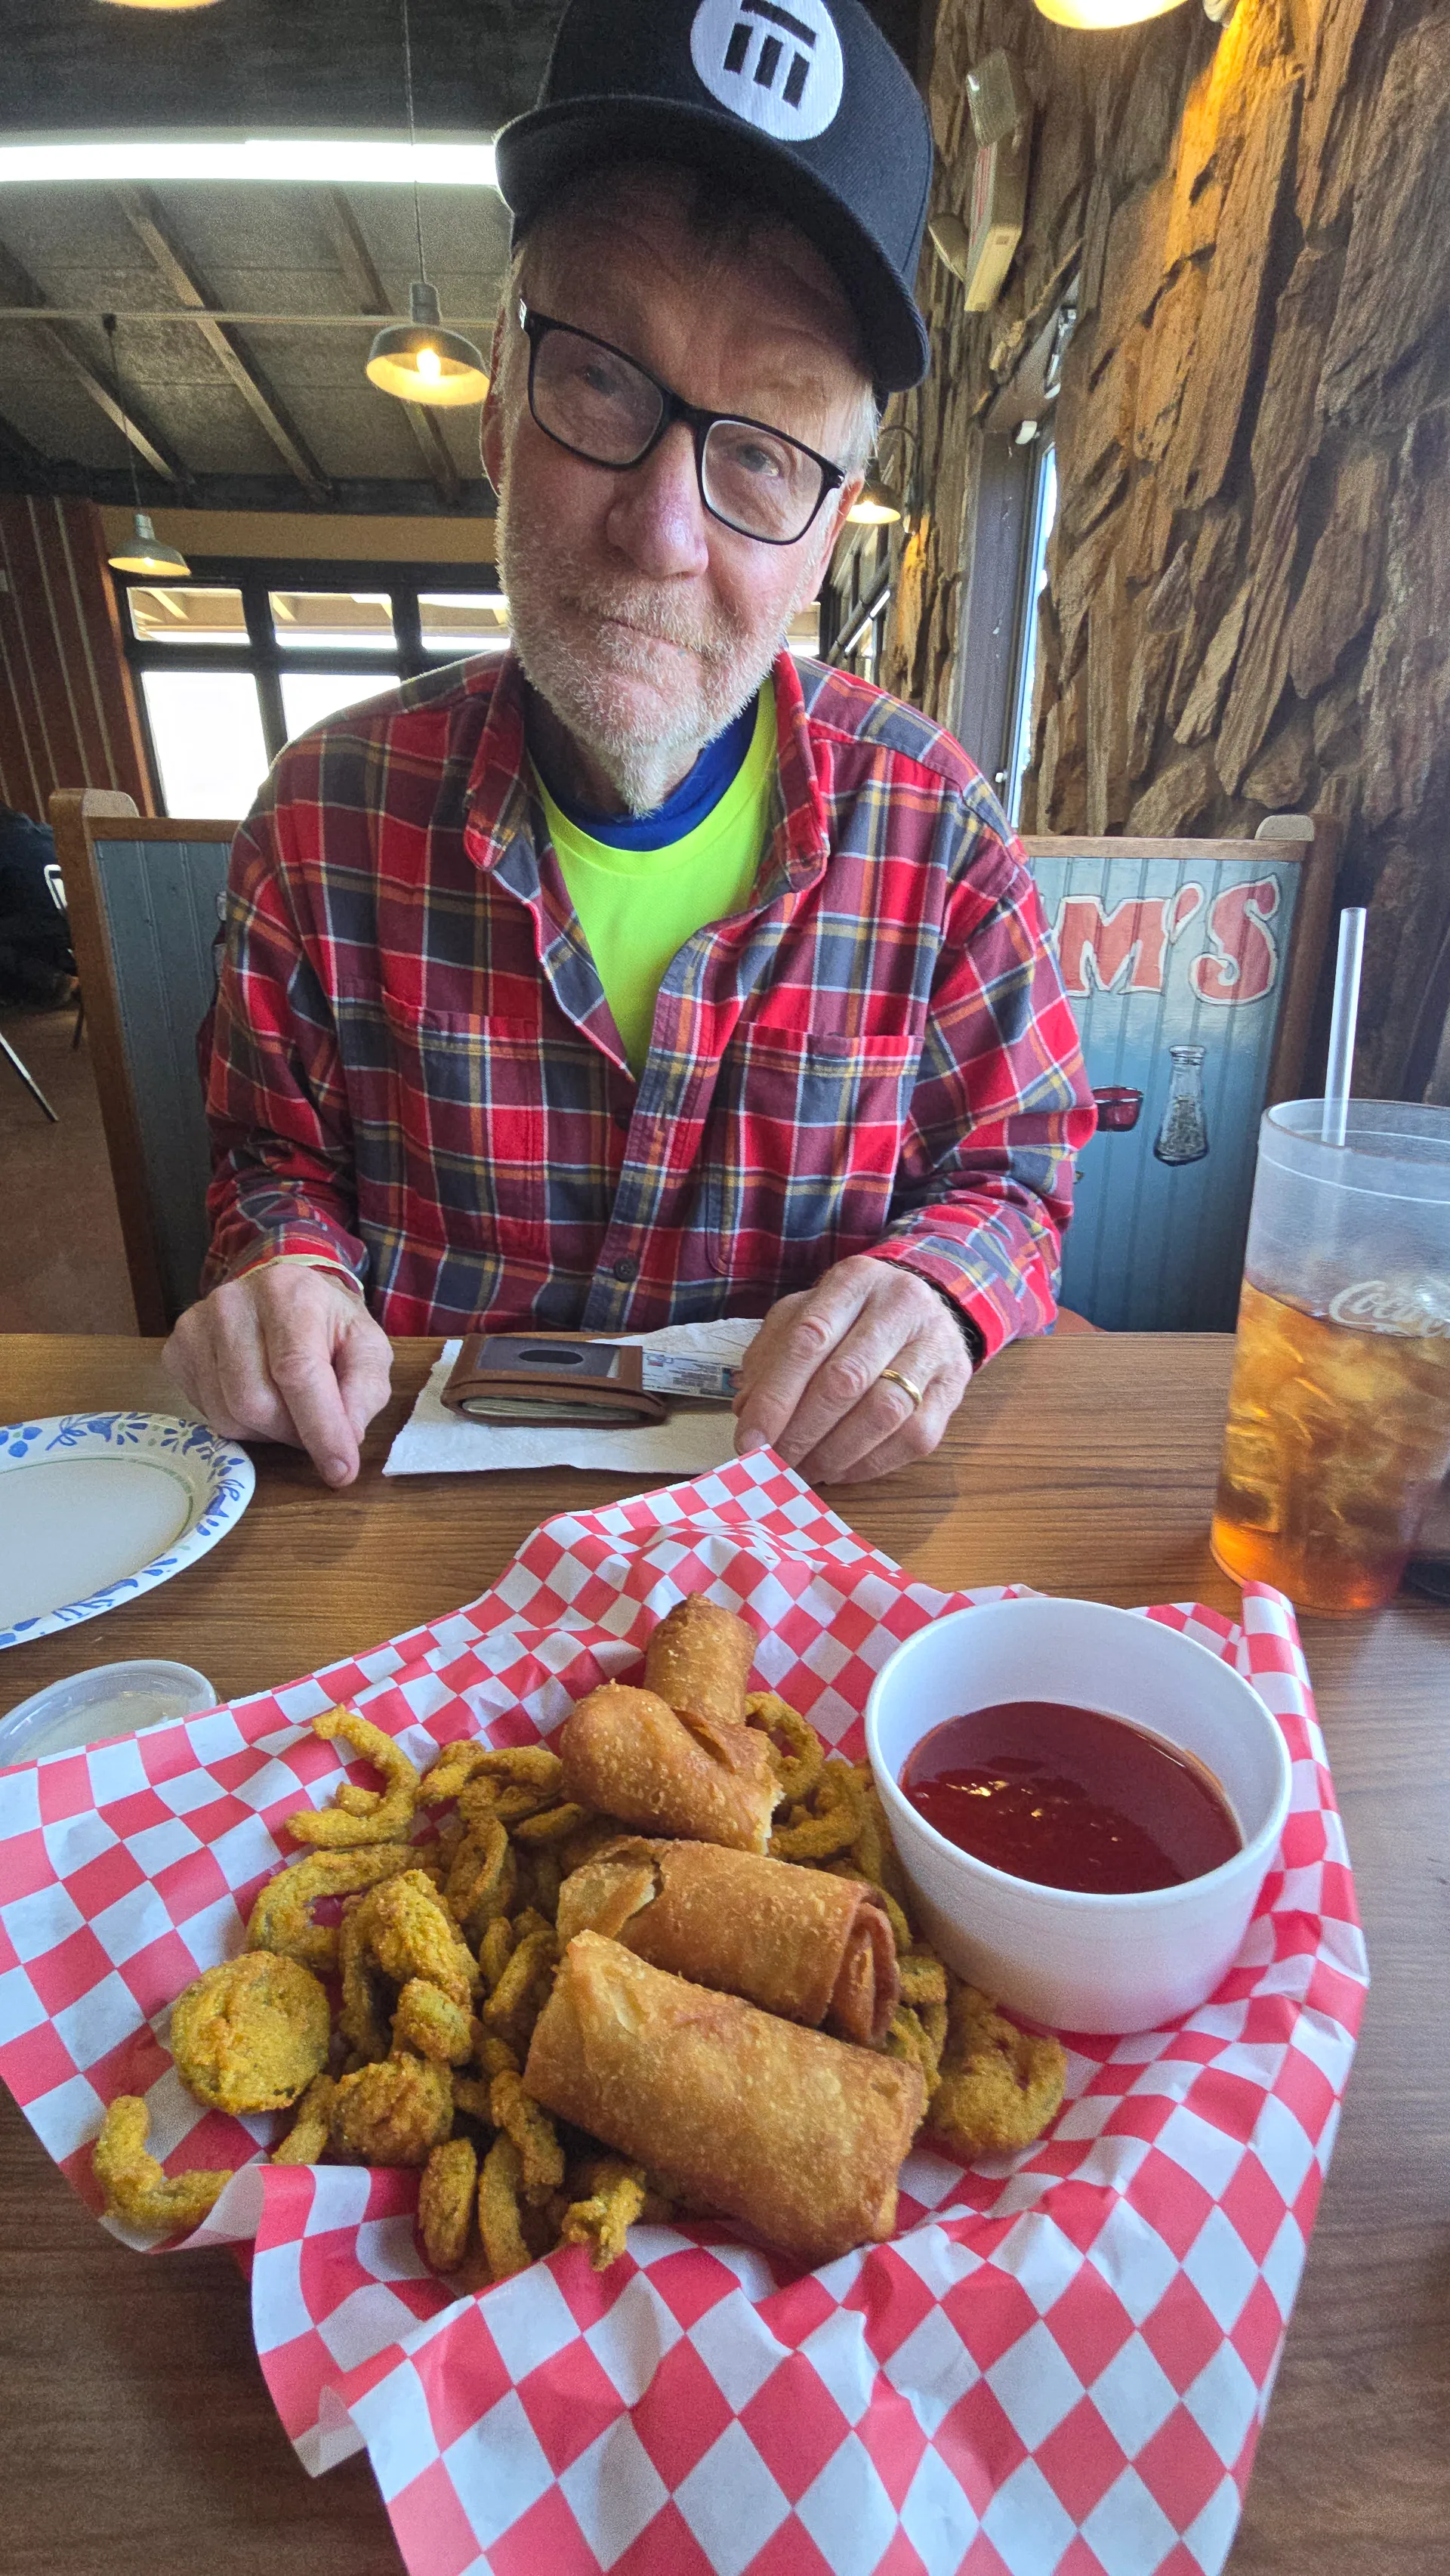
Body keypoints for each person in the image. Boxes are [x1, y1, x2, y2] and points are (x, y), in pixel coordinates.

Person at [165, 0, 1094, 1490]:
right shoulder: (322, 814)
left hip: (801, 1537)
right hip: (399, 1559)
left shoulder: (940, 826)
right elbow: (274, 1165)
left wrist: (938, 1291)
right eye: (603, 378)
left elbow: (1016, 1167)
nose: (663, 531)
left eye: (765, 452)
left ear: (829, 534)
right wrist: (283, 1278)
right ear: (498, 400)